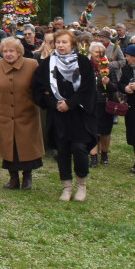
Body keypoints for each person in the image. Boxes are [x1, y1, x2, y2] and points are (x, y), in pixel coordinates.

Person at [32, 29, 97, 202]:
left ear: (72, 44)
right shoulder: (46, 64)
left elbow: (88, 88)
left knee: (79, 148)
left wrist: (70, 103)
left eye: (64, 42)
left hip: (79, 114)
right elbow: (39, 89)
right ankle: (67, 187)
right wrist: (55, 104)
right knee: (63, 151)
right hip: (58, 114)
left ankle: (81, 185)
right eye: (58, 42)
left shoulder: (83, 62)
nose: (61, 45)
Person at [0, 37, 43, 190]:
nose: (8, 54)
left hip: (27, 115)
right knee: (9, 149)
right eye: (5, 51)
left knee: (26, 148)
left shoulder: (32, 64)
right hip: (5, 115)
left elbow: (39, 88)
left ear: (19, 52)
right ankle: (13, 179)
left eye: (11, 51)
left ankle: (27, 177)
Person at [87, 42, 118, 166]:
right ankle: (93, 156)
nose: (99, 54)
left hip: (104, 102)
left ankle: (104, 153)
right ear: (90, 53)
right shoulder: (86, 66)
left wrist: (108, 83)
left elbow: (115, 87)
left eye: (101, 52)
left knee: (105, 131)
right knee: (91, 130)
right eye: (96, 51)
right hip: (90, 103)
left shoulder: (109, 67)